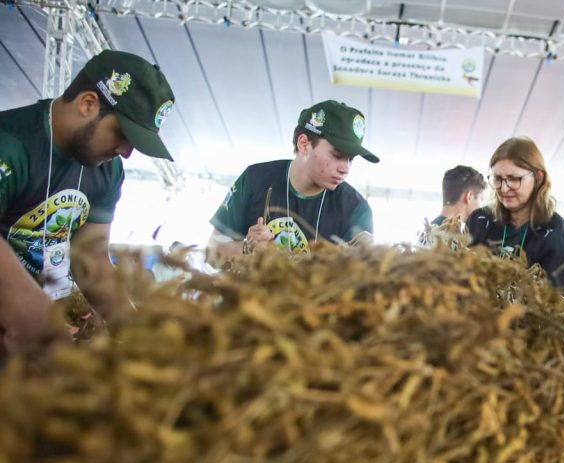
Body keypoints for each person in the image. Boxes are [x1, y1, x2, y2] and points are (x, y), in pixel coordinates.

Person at [0, 50, 176, 354]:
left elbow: (92, 259)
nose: (125, 152)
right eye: (123, 135)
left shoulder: (107, 171)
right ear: (88, 104)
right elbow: (27, 313)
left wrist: (138, 334)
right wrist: (30, 309)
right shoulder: (12, 144)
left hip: (46, 328)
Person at [208, 101, 377, 260]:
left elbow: (357, 283)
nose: (345, 168)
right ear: (304, 144)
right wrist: (247, 248)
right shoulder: (255, 179)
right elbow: (211, 254)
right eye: (337, 155)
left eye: (351, 159)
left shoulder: (356, 210)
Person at [468, 137, 564, 290]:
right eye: (498, 179)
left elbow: (554, 306)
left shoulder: (560, 237)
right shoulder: (480, 220)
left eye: (514, 179)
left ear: (539, 178)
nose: (504, 188)